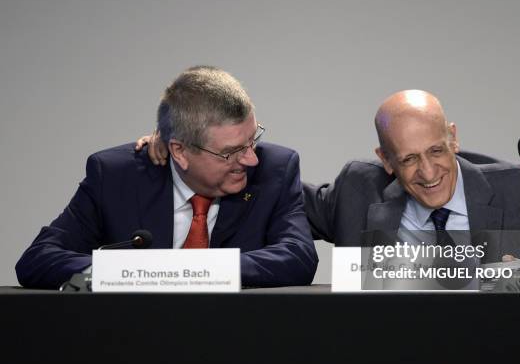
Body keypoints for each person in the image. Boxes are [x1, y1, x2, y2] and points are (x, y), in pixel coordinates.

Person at [137, 89, 520, 274]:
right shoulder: (357, 190)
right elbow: (273, 192)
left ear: (454, 138)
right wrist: (185, 150)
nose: (427, 173)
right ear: (385, 160)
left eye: (436, 151)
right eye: (407, 159)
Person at [16, 65, 318, 289]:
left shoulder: (274, 169)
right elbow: (38, 259)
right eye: (231, 152)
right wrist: (132, 272)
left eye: (253, 141)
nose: (250, 158)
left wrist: (187, 270)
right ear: (179, 151)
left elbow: (298, 256)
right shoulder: (114, 176)